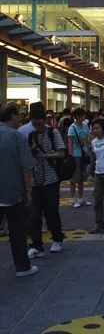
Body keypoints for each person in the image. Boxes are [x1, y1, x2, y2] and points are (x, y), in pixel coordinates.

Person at [0, 104, 38, 277]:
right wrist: (28, 190)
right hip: (13, 192)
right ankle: (23, 268)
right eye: (18, 115)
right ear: (11, 117)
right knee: (17, 231)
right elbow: (27, 167)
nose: (20, 118)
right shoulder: (17, 136)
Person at [27, 102, 66, 259]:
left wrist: (46, 155)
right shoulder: (31, 136)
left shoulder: (53, 133)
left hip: (51, 179)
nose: (37, 126)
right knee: (34, 215)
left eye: (40, 123)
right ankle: (36, 245)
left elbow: (61, 153)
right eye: (34, 124)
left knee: (51, 212)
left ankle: (57, 239)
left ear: (45, 120)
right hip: (36, 181)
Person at [68, 108, 92, 208]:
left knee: (82, 178)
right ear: (77, 116)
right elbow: (70, 144)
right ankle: (73, 199)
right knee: (74, 178)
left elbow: (87, 140)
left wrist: (88, 152)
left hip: (83, 155)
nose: (84, 117)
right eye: (82, 115)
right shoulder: (72, 128)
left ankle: (81, 198)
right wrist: (71, 157)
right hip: (75, 156)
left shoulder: (85, 126)